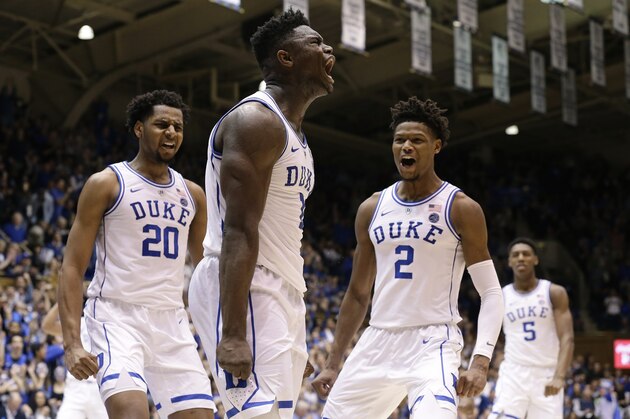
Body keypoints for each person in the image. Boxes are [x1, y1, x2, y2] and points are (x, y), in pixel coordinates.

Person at [311, 97, 504, 418]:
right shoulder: (372, 207)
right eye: (399, 140)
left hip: (432, 341)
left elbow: (492, 293)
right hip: (378, 338)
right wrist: (333, 364)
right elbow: (358, 294)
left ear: (437, 146)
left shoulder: (461, 208)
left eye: (417, 140)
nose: (406, 147)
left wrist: (481, 362)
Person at [188, 8, 335, 419]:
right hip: (247, 287)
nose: (329, 50)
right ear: (285, 58)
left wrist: (288, 327)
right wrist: (235, 332)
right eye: (316, 43)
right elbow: (238, 230)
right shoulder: (256, 121)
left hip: (282, 290)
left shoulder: (295, 135)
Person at [57, 90, 216, 419]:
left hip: (172, 321)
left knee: (200, 415)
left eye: (178, 126)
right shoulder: (107, 184)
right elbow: (72, 267)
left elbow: (205, 273)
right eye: (162, 124)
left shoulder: (193, 194)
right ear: (139, 129)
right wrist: (72, 344)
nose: (171, 132)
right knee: (131, 413)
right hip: (117, 317)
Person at [489, 237, 574, 419]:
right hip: (514, 372)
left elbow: (567, 338)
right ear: (510, 261)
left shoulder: (554, 292)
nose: (521, 258)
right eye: (515, 255)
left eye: (526, 254)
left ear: (535, 259)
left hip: (547, 374)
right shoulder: (501, 296)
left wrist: (559, 376)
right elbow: (491, 334)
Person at [42, 303, 108, 419]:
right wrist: (62, 298)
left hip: (101, 387)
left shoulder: (112, 325)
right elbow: (47, 326)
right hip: (76, 386)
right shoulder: (80, 323)